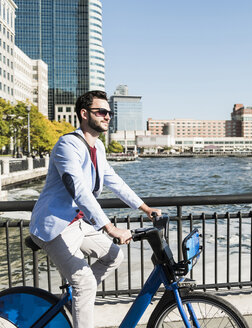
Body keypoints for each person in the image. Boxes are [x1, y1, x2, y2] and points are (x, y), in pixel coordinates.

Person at [29, 90, 161, 327]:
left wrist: (145, 208)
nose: (107, 116)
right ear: (84, 113)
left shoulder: (98, 147)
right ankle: (81, 290)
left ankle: (75, 297)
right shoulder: (67, 145)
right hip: (55, 226)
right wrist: (110, 228)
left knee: (113, 256)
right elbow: (77, 189)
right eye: (101, 111)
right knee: (86, 283)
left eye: (109, 112)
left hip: (78, 223)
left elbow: (114, 181)